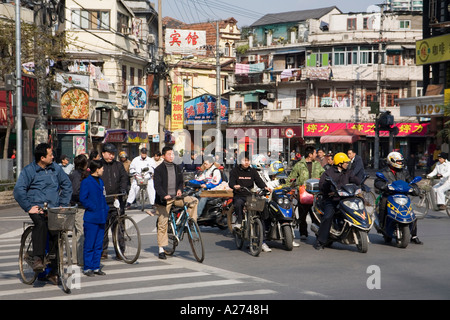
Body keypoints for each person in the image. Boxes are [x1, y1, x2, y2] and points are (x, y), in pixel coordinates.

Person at [13, 143, 72, 284]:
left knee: (55, 235)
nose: (53, 157)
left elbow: (67, 185)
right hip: (36, 207)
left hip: (53, 208)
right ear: (42, 157)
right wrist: (28, 207)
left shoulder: (55, 168)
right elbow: (19, 190)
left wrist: (63, 204)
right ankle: (38, 258)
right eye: (50, 154)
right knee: (40, 225)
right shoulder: (29, 171)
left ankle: (53, 271)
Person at [153, 146, 198, 259]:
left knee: (193, 201)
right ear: (163, 156)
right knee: (162, 224)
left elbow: (180, 182)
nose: (171, 156)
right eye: (169, 154)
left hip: (176, 198)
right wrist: (164, 195)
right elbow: (157, 186)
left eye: (172, 154)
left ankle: (191, 222)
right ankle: (161, 249)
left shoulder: (177, 168)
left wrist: (179, 190)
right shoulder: (158, 170)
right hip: (164, 200)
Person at [314, 152, 360, 250]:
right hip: (332, 200)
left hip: (346, 199)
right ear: (339, 163)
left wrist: (361, 183)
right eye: (345, 163)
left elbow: (355, 180)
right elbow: (322, 185)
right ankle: (320, 241)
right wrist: (329, 188)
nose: (347, 164)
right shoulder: (328, 172)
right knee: (327, 216)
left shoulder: (348, 172)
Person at [374, 151, 423, 244]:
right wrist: (384, 186)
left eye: (401, 161)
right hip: (389, 195)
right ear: (391, 161)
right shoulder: (384, 171)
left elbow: (411, 181)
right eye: (399, 161)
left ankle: (414, 235)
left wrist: (415, 189)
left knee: (411, 212)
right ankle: (382, 224)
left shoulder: (404, 171)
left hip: (402, 195)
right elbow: (378, 182)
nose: (400, 163)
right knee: (384, 202)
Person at [228, 152, 272, 252]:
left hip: (250, 196)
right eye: (244, 160)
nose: (246, 162)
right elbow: (231, 182)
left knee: (263, 206)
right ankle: (239, 221)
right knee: (238, 203)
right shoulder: (234, 171)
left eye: (248, 160)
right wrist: (234, 186)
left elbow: (259, 181)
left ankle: (263, 239)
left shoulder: (252, 171)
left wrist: (265, 187)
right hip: (240, 195)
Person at [286, 146, 324, 241]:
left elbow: (323, 175)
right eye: (315, 153)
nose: (316, 155)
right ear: (310, 155)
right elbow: (292, 177)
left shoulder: (317, 164)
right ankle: (303, 233)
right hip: (303, 193)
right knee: (302, 214)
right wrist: (287, 187)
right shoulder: (299, 165)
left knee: (315, 214)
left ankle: (318, 233)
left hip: (316, 194)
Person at [100, 143, 129, 259]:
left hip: (117, 200)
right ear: (103, 153)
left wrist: (123, 188)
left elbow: (124, 178)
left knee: (119, 227)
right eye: (109, 153)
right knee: (103, 227)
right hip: (103, 201)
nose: (111, 156)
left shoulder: (119, 165)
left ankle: (120, 250)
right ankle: (103, 250)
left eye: (113, 154)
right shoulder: (99, 165)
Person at [79, 160, 109, 276]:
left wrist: (105, 208)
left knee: (98, 244)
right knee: (89, 244)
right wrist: (93, 207)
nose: (103, 170)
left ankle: (96, 266)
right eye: (101, 168)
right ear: (96, 169)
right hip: (91, 217)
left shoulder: (101, 181)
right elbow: (83, 198)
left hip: (101, 216)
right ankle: (88, 267)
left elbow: (103, 196)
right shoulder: (86, 182)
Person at [69, 154, 90, 266]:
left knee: (76, 232)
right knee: (80, 233)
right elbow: (76, 191)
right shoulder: (77, 175)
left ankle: (75, 258)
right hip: (79, 206)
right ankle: (80, 259)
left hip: (74, 205)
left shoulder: (74, 174)